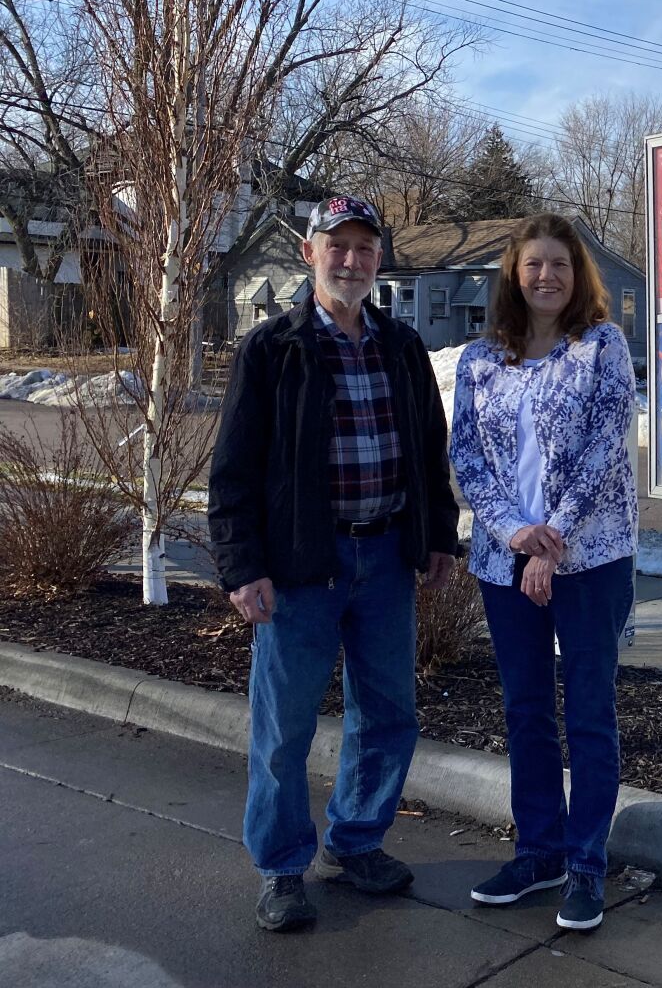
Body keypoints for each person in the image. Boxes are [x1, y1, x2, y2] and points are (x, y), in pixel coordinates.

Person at [208, 195, 458, 933]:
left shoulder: (402, 346)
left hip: (384, 558)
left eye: (364, 247)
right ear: (309, 250)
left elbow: (427, 452)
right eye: (337, 245)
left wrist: (436, 534)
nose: (351, 260)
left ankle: (358, 838)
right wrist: (240, 564)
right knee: (283, 726)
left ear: (379, 257)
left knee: (388, 713)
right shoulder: (271, 347)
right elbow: (234, 470)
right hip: (298, 567)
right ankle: (283, 867)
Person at [450, 213, 637, 932]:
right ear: (513, 273)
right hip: (504, 560)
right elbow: (467, 454)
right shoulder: (479, 360)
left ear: (578, 273)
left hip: (589, 558)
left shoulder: (603, 348)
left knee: (589, 712)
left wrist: (551, 538)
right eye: (534, 264)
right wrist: (516, 534)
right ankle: (540, 850)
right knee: (525, 711)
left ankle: (587, 861)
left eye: (560, 263)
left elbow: (604, 449)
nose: (547, 276)